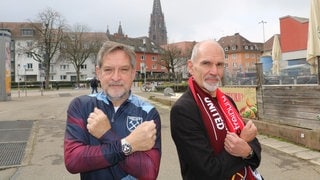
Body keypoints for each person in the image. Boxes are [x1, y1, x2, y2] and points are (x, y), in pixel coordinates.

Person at [64, 41, 161, 180]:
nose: (116, 77)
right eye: (108, 70)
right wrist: (129, 144)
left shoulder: (148, 113)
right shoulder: (81, 105)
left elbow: (149, 172)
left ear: (133, 73)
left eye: (124, 69)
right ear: (98, 73)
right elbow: (73, 161)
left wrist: (106, 134)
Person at [170, 40, 262, 180]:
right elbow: (208, 172)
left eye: (219, 65)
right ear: (190, 67)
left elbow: (254, 146)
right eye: (206, 63)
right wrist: (241, 141)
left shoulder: (227, 101)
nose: (214, 71)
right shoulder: (183, 110)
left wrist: (248, 152)